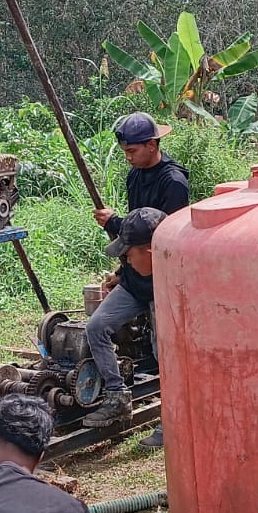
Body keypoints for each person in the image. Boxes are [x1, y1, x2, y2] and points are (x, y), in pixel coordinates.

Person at [85, 111, 190, 442]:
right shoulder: (134, 177)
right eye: (125, 152)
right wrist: (123, 270)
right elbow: (137, 232)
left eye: (132, 151)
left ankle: (171, 422)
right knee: (96, 326)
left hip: (162, 281)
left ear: (152, 145)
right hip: (136, 275)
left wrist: (114, 223)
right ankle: (117, 396)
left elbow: (165, 237)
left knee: (164, 354)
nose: (128, 157)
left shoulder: (173, 182)